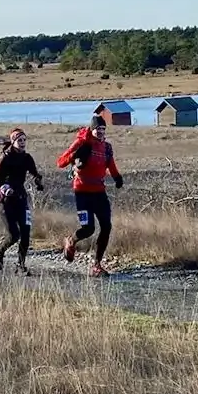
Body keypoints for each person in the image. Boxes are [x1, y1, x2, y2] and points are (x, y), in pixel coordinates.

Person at [55, 114, 124, 277]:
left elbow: (111, 165)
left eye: (103, 129)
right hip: (82, 193)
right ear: (91, 129)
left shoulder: (106, 147)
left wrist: (117, 177)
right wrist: (74, 158)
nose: (100, 132)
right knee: (88, 229)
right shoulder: (81, 143)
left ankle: (97, 265)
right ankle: (71, 241)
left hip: (99, 193)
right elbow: (60, 162)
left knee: (106, 227)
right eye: (97, 129)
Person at [0, 128, 44, 275]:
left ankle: (20, 266)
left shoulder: (27, 158)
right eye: (20, 140)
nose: (23, 143)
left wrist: (38, 181)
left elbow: (35, 173)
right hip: (5, 201)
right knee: (14, 235)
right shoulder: (5, 158)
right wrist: (2, 187)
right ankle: (0, 254)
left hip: (21, 198)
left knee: (25, 232)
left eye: (24, 140)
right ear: (13, 142)